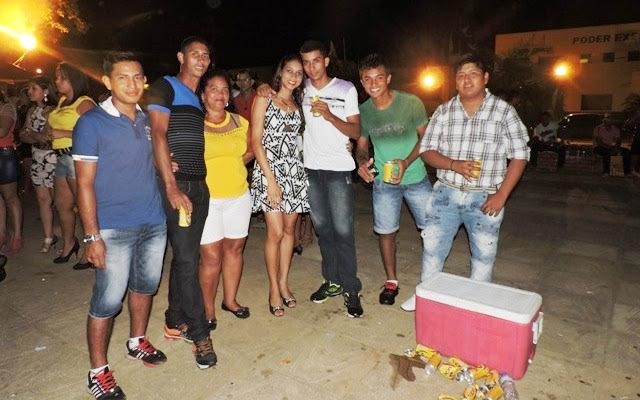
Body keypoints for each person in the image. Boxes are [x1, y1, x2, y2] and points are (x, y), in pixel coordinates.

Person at [402, 53, 530, 311]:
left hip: (485, 196)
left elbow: (520, 155)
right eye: (461, 75)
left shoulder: (503, 111)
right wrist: (454, 165)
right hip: (445, 193)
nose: (466, 80)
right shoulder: (444, 111)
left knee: (483, 255)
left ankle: (476, 305)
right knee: (432, 248)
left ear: (485, 78)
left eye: (473, 74)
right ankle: (426, 295)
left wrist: (502, 195)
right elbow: (427, 151)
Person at [75, 52, 167, 400]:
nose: (132, 84)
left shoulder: (146, 119)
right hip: (112, 227)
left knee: (145, 287)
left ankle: (137, 341)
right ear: (107, 81)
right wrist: (92, 236)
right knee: (107, 301)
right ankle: (97, 372)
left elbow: (147, 162)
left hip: (153, 220)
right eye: (123, 77)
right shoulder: (92, 123)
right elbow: (84, 183)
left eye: (138, 77)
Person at [257, 40, 363, 318]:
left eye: (316, 60)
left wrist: (330, 115)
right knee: (323, 230)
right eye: (305, 62)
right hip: (308, 169)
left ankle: (351, 288)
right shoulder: (300, 91)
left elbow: (355, 131)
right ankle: (332, 280)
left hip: (338, 168)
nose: (310, 67)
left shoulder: (346, 88)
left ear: (326, 61)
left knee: (343, 231)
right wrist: (261, 87)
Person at [146, 36, 216, 369]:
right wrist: (171, 187)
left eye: (206, 55)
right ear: (180, 57)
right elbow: (157, 133)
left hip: (199, 185)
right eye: (194, 54)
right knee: (189, 261)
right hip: (180, 186)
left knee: (186, 256)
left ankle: (174, 319)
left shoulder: (197, 99)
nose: (201, 59)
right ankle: (200, 335)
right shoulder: (166, 86)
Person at [355, 53, 431, 306]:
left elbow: (427, 138)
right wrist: (361, 163)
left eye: (379, 77)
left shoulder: (411, 103)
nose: (373, 84)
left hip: (416, 176)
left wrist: (406, 162)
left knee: (431, 231)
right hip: (384, 183)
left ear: (388, 78)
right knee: (386, 232)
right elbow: (361, 145)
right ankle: (391, 281)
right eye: (367, 79)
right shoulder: (364, 111)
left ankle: (432, 280)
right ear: (362, 82)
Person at [251, 54, 309, 317]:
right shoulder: (264, 98)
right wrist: (271, 181)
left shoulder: (298, 105)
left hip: (294, 171)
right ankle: (273, 289)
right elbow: (256, 141)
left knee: (289, 231)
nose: (293, 76)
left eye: (298, 73)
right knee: (274, 232)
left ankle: (284, 283)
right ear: (280, 72)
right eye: (289, 71)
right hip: (269, 171)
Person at [198, 69, 254, 329]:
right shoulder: (194, 124)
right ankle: (208, 309)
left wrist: (234, 164)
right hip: (207, 200)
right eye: (213, 89)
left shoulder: (240, 122)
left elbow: (252, 149)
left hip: (238, 197)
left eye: (224, 90)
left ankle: (230, 300)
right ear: (203, 95)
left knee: (235, 250)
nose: (220, 95)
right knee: (211, 257)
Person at [48, 62, 96, 268]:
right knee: (62, 205)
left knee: (84, 207)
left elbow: (95, 132)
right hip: (61, 157)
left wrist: (63, 133)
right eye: (57, 77)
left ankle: (90, 249)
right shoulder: (61, 101)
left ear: (73, 79)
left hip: (77, 157)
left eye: (61, 77)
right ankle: (69, 244)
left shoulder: (85, 103)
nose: (57, 81)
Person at [19, 76, 59, 253]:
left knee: (60, 201)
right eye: (29, 88)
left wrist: (31, 133)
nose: (29, 91)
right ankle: (48, 237)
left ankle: (69, 238)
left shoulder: (53, 110)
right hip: (37, 157)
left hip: (53, 159)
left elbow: (45, 136)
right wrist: (32, 135)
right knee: (43, 200)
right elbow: (22, 135)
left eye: (34, 88)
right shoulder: (32, 110)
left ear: (46, 91)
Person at [0, 92, 23, 256]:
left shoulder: (6, 108)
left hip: (4, 154)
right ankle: (2, 234)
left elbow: (2, 131)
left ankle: (17, 236)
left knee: (11, 198)